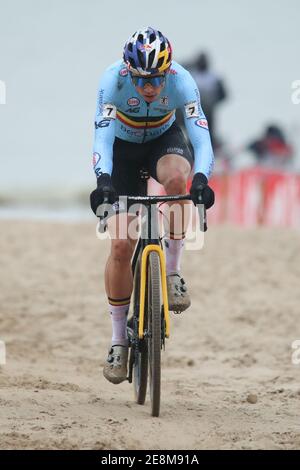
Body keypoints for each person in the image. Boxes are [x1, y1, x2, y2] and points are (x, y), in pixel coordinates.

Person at [90, 27, 215, 385]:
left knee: (179, 180)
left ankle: (172, 272)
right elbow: (101, 135)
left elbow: (201, 137)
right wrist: (103, 181)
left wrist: (202, 180)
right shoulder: (112, 81)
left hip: (164, 140)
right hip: (123, 154)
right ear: (130, 71)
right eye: (144, 79)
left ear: (168, 71)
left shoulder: (183, 81)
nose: (151, 87)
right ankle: (117, 340)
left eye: (158, 78)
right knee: (119, 245)